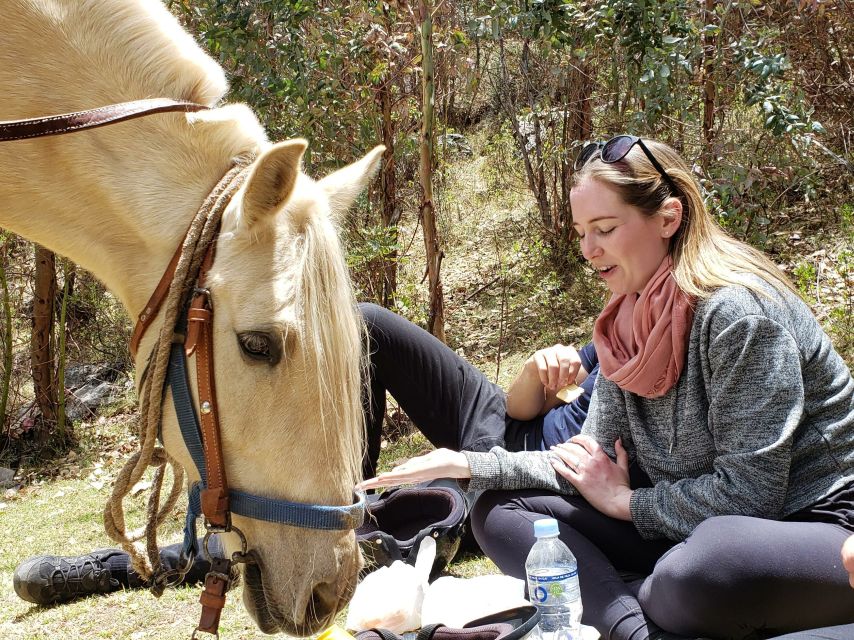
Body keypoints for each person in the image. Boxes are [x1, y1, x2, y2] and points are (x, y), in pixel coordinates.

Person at [359, 136, 854, 640]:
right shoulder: (626, 321)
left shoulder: (737, 316)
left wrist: (627, 504)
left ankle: (649, 603)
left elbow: (754, 496)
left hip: (812, 525)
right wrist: (468, 464)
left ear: (668, 218)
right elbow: (587, 457)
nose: (588, 250)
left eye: (605, 229)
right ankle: (638, 631)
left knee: (698, 573)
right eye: (580, 232)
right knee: (497, 509)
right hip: (686, 520)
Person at [13, 303, 600, 604]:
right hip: (499, 420)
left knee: (381, 528)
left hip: (525, 481)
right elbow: (525, 409)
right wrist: (534, 376)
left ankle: (114, 570)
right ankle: (346, 499)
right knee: (366, 328)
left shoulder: (686, 347)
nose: (594, 248)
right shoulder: (621, 320)